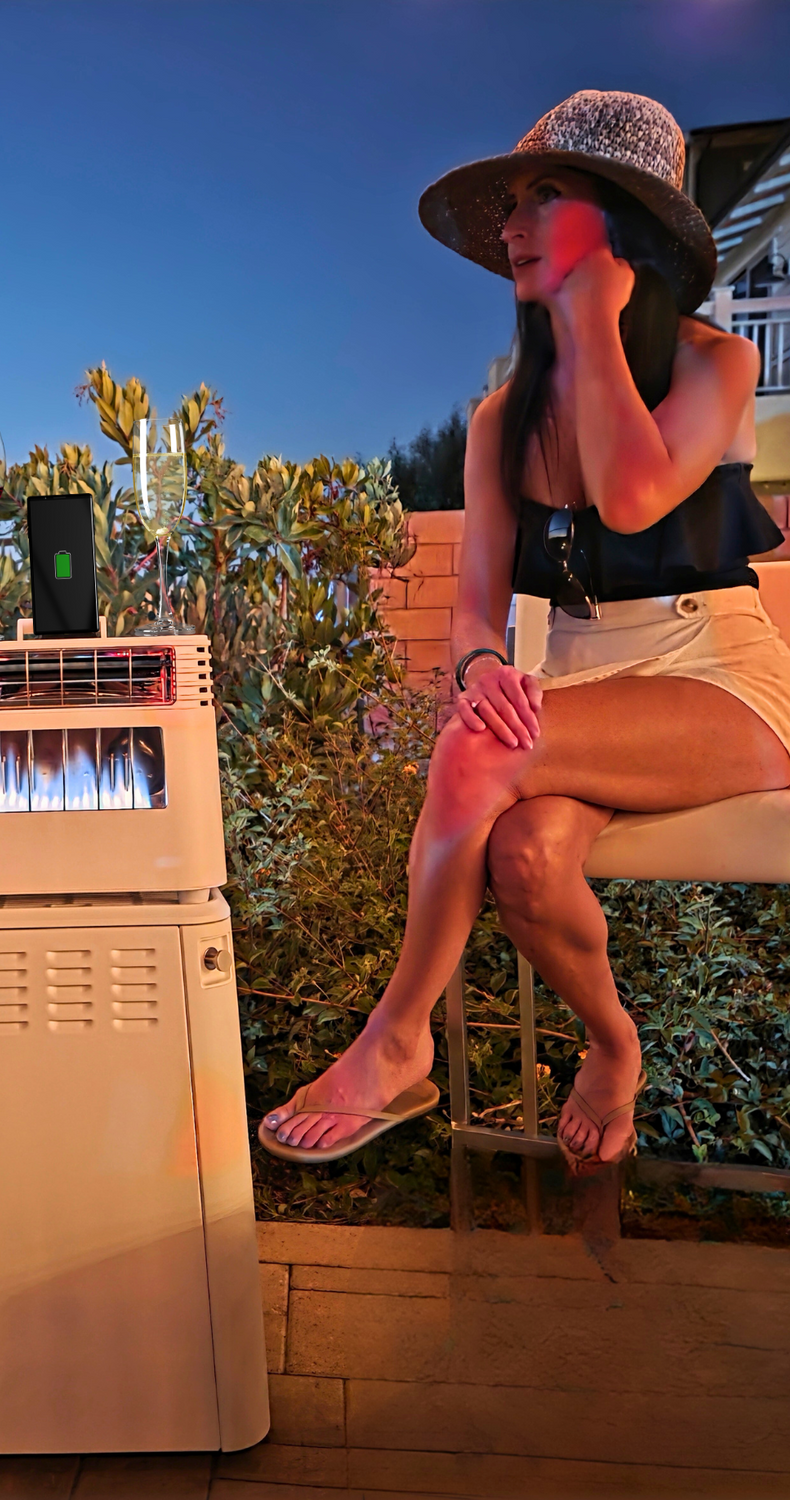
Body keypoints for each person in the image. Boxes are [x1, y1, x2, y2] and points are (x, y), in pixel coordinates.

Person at [257, 90, 790, 1174]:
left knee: (477, 747)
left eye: (543, 197)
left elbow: (634, 498)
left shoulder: (711, 365)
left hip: (717, 678)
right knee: (529, 856)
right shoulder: (501, 418)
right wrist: (485, 664)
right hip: (580, 684)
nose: (507, 226)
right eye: (509, 202)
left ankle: (395, 1040)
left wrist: (593, 320)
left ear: (615, 225)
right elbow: (472, 606)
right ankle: (612, 1043)